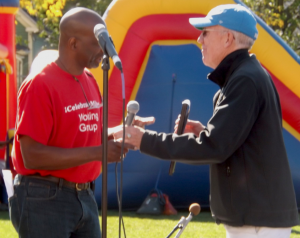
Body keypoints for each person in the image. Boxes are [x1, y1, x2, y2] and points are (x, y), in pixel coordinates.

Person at [113, 4, 299, 238]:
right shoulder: (245, 75)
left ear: (228, 38)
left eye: (205, 32)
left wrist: (144, 140)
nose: (199, 39)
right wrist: (205, 131)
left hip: (256, 219)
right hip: (255, 216)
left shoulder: (245, 79)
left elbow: (214, 146)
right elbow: (235, 142)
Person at [9, 7, 152, 238]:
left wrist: (118, 132)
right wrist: (99, 152)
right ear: (73, 44)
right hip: (44, 198)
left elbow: (79, 132)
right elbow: (32, 155)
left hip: (84, 196)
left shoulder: (89, 80)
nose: (104, 52)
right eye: (97, 43)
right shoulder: (40, 84)